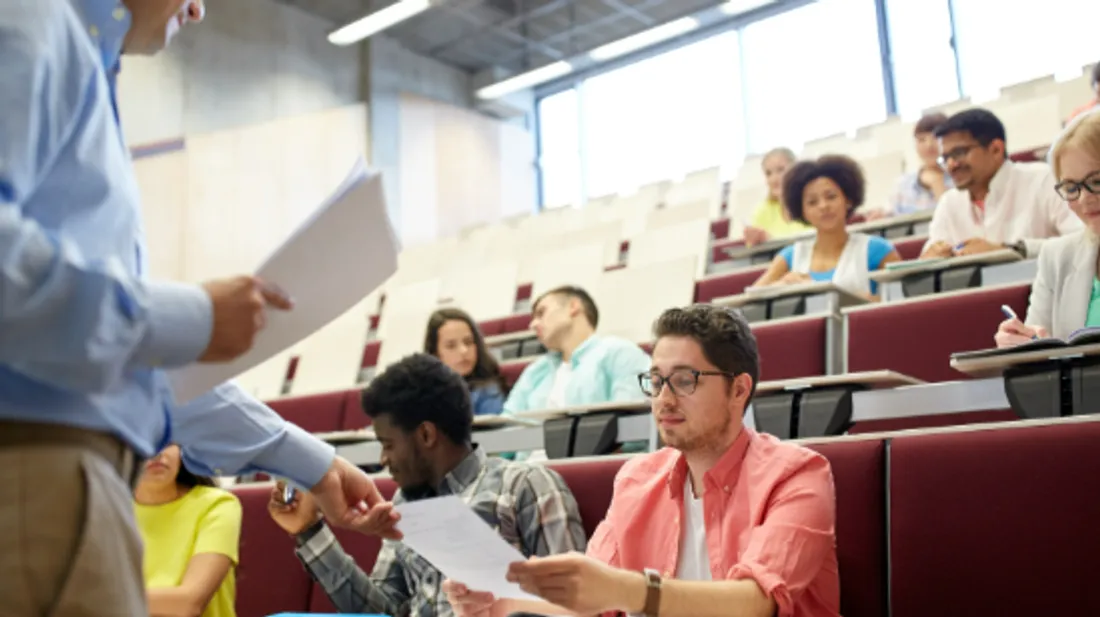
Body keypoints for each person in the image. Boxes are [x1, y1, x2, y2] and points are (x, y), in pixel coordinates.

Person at [0, 2, 396, 615]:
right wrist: (190, 318)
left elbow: (124, 360)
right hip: (34, 474)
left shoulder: (76, 54)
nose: (199, 7)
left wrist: (310, 461)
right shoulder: (31, 21)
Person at [446, 305, 840, 617]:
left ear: (739, 389)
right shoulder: (638, 477)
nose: (664, 399)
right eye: (655, 381)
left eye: (685, 381)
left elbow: (755, 603)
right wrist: (500, 602)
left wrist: (629, 590)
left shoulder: (798, 474)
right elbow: (592, 599)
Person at [267, 353, 586, 616]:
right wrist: (309, 531)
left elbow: (578, 602)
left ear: (426, 435)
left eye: (388, 444)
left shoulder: (526, 484)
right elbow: (381, 612)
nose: (383, 459)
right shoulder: (406, 506)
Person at [996, 109, 1100, 347]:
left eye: (1096, 181)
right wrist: (1021, 343)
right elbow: (1040, 346)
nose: (1084, 199)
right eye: (1072, 188)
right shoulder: (1057, 256)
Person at [920, 108, 1082, 259]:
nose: (951, 165)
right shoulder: (949, 203)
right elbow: (931, 254)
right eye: (945, 158)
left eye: (959, 153)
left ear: (996, 149)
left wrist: (1011, 250)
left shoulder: (1043, 179)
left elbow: (1083, 241)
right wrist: (932, 256)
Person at [753, 155, 900, 300]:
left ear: (847, 200)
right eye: (812, 202)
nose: (823, 206)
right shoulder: (790, 256)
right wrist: (781, 285)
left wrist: (818, 288)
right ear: (802, 211)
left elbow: (901, 304)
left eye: (831, 197)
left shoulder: (877, 250)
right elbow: (749, 301)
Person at [503, 286, 650, 414]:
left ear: (573, 306)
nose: (533, 325)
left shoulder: (619, 353)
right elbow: (507, 425)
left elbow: (632, 423)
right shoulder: (535, 371)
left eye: (541, 313)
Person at [135, 445, 241, 617]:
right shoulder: (107, 510)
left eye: (167, 441)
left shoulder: (217, 505)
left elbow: (188, 603)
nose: (158, 453)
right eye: (143, 440)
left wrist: (101, 602)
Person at [867, 113, 953, 219]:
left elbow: (953, 219)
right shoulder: (903, 184)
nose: (929, 145)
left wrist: (937, 184)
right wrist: (880, 216)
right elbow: (891, 217)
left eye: (935, 138)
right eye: (922, 140)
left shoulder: (958, 178)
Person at [424, 307, 507, 416]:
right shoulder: (423, 393)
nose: (464, 351)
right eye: (451, 346)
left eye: (468, 342)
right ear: (435, 354)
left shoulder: (487, 392)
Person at [742, 147, 813, 246]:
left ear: (795, 170)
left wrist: (769, 239)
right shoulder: (764, 209)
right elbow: (751, 248)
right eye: (768, 173)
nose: (774, 179)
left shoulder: (811, 203)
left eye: (780, 170)